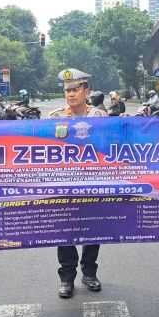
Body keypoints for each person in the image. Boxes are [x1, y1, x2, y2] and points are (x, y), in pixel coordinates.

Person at [48, 68, 107, 298]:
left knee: (94, 228)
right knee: (65, 231)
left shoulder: (99, 117)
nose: (70, 94)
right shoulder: (54, 118)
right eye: (67, 90)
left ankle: (89, 272)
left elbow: (110, 143)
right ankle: (67, 277)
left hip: (94, 182)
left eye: (75, 90)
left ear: (86, 91)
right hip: (65, 183)